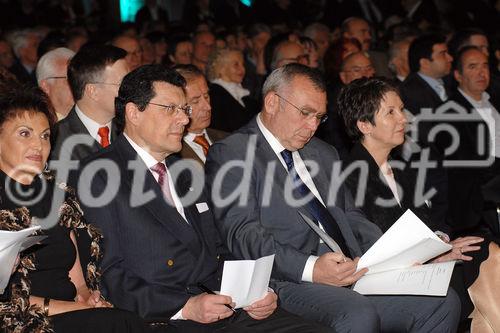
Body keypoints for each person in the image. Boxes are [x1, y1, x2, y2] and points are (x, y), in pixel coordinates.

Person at [205, 63, 461, 332]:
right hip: (289, 279)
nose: (312, 125)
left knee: (442, 301)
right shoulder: (234, 152)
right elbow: (243, 233)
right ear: (272, 102)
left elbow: (351, 216)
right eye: (305, 113)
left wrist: (393, 255)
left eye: (319, 117)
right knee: (357, 313)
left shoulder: (323, 153)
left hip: (351, 268)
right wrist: (312, 268)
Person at [78, 64, 332, 333]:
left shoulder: (184, 172)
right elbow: (110, 275)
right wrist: (185, 307)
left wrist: (255, 291)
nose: (184, 120)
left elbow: (219, 249)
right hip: (161, 316)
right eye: (170, 109)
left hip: (219, 304)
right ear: (133, 113)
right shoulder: (100, 174)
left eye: (184, 109)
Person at [339, 76, 500, 332]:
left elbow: (430, 223)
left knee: (485, 249)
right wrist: (436, 255)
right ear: (364, 125)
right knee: (485, 265)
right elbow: (372, 248)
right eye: (390, 113)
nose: (403, 119)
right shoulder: (351, 176)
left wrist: (443, 245)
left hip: (423, 266)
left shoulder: (401, 168)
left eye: (401, 110)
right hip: (390, 281)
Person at [0, 86, 147, 332]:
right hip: (20, 319)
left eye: (45, 136)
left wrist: (85, 296)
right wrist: (79, 309)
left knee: (125, 318)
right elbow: (8, 301)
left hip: (71, 312)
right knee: (117, 323)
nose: (39, 144)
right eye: (25, 133)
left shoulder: (57, 194)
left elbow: (76, 278)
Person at [50, 44, 129, 162]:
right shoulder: (56, 141)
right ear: (93, 91)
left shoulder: (132, 129)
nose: (131, 89)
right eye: (123, 84)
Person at [174, 64, 227, 165]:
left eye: (206, 96)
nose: (208, 107)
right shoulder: (171, 152)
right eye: (195, 101)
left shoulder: (229, 139)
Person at [206, 48, 258, 132]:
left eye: (243, 64)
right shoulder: (214, 95)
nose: (242, 69)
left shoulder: (243, 94)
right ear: (220, 68)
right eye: (236, 64)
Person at [36, 47, 75, 120]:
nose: (79, 85)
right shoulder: (40, 124)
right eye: (70, 79)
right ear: (45, 86)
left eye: (79, 78)